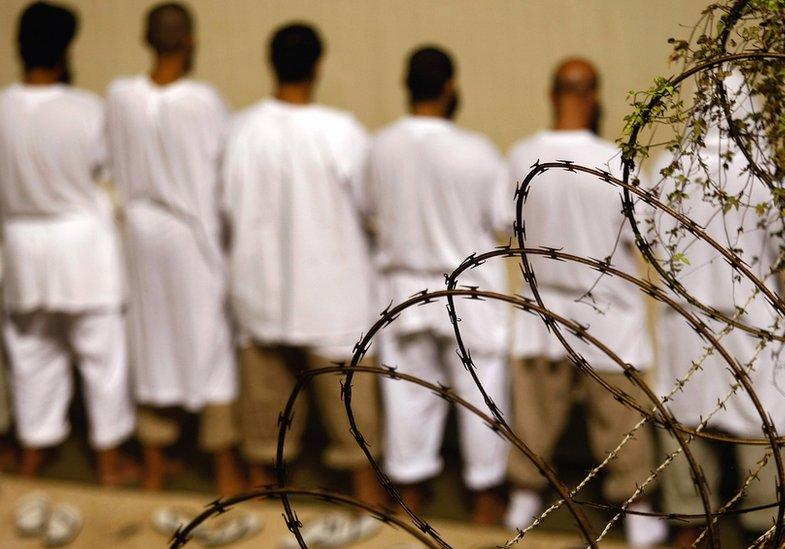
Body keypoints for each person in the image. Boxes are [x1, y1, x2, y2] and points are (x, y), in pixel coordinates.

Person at [222, 22, 384, 543]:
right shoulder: (342, 131)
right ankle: (371, 511)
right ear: (318, 64)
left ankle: (264, 523)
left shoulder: (240, 130)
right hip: (332, 297)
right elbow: (371, 207)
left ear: (271, 62)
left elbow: (224, 206)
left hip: (259, 293)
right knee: (352, 421)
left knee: (263, 427)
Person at [504, 58, 666, 547]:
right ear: (593, 97)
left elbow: (505, 226)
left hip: (543, 309)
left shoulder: (520, 157)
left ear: (553, 93)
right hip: (609, 311)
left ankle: (523, 498)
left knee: (535, 413)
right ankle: (637, 508)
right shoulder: (616, 163)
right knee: (619, 417)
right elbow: (648, 239)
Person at [647, 72, 785, 545]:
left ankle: (689, 528)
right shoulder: (761, 171)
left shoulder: (668, 166)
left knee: (687, 432)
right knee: (759, 430)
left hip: (685, 323)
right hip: (750, 326)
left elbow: (649, 240)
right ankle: (765, 528)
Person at [365, 46, 511, 524]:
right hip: (467, 290)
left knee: (407, 395)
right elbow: (503, 221)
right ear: (450, 87)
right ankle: (486, 500)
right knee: (480, 394)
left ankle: (410, 493)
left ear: (407, 84)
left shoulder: (379, 147)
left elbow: (367, 211)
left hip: (403, 289)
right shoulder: (478, 151)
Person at [105, 2, 242, 495]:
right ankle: (224, 465)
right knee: (210, 346)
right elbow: (226, 171)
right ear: (191, 41)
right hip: (192, 237)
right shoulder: (204, 101)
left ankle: (155, 460)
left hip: (140, 235)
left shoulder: (120, 96)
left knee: (152, 341)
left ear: (146, 38)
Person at [0, 1, 136, 485]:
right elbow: (111, 173)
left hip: (22, 248)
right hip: (83, 251)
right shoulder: (87, 111)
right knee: (102, 359)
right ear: (65, 51)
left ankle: (32, 455)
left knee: (31, 356)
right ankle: (109, 460)